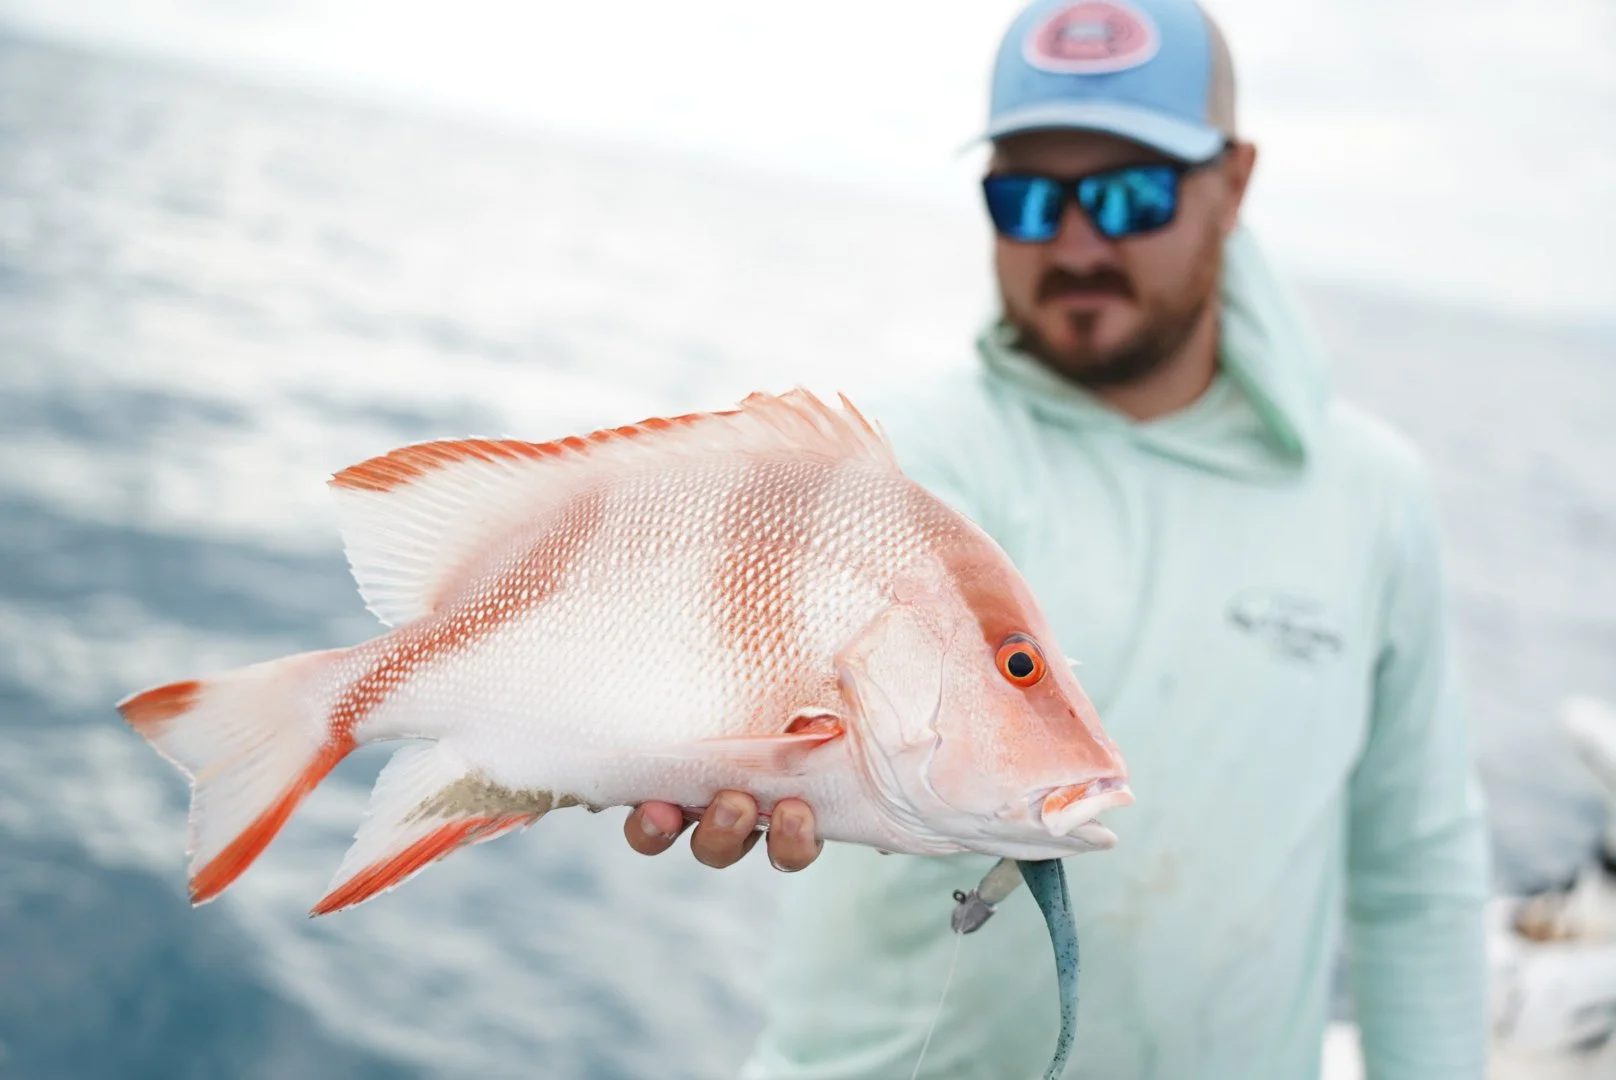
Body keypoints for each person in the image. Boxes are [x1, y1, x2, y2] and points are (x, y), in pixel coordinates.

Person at [625, 0, 1490, 1076]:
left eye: (1129, 193)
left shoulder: (1371, 498)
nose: (1075, 243)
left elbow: (1415, 877)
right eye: (1026, 198)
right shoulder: (905, 461)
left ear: (1232, 185)